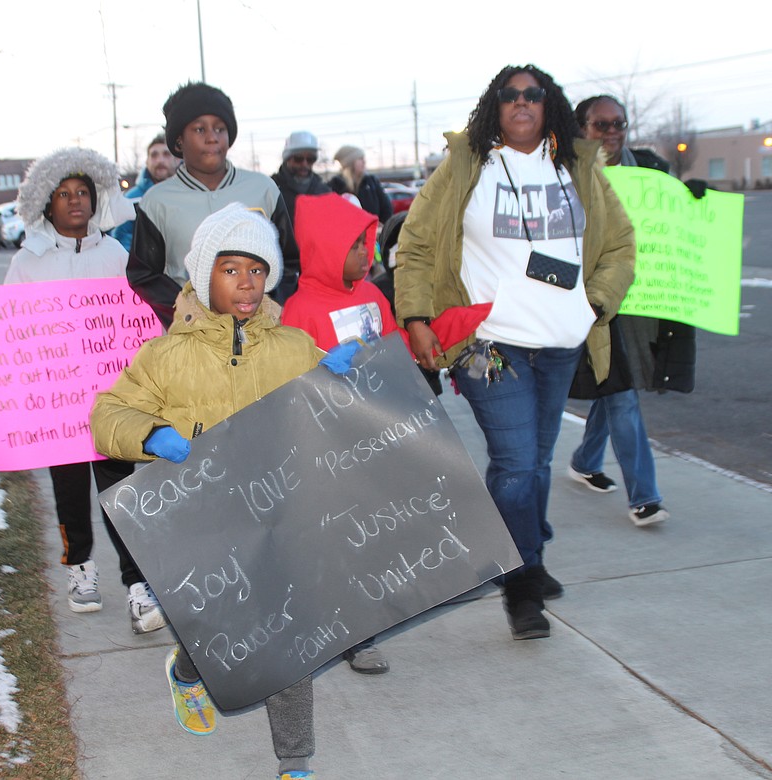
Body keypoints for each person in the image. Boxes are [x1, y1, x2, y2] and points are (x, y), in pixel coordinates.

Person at [92, 203, 361, 780]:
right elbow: (107, 415)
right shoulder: (167, 355)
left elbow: (337, 410)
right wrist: (151, 433)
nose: (246, 283)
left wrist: (344, 376)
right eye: (230, 268)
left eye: (257, 270)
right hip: (203, 521)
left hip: (276, 518)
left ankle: (295, 762)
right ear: (203, 274)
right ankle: (187, 673)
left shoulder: (291, 347)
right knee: (216, 630)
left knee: (288, 635)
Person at [394, 65, 635, 641]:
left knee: (536, 460)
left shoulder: (580, 166)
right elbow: (418, 244)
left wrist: (595, 305)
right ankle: (522, 583)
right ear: (494, 106)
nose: (522, 102)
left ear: (548, 104)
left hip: (559, 343)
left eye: (533, 94)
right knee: (517, 462)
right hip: (487, 344)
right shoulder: (466, 165)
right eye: (510, 95)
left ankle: (527, 552)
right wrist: (417, 316)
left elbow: (621, 244)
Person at [0, 147, 167, 636]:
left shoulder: (116, 256)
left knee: (121, 493)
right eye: (63, 195)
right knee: (69, 495)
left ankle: (137, 583)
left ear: (96, 199)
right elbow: (0, 333)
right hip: (58, 412)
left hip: (112, 406)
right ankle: (79, 570)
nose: (74, 202)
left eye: (82, 193)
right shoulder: (28, 263)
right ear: (46, 205)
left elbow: (139, 324)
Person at [567, 95, 698, 527]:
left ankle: (585, 460)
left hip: (644, 299)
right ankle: (645, 496)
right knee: (621, 392)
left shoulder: (653, 171)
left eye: (618, 123)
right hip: (595, 298)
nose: (611, 132)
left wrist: (694, 201)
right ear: (581, 127)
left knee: (620, 385)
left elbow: (678, 228)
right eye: (599, 124)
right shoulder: (566, 174)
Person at [280, 193, 397, 675]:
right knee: (337, 536)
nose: (365, 254)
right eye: (354, 246)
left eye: (368, 242)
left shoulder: (373, 296)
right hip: (325, 448)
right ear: (325, 248)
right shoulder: (299, 309)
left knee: (371, 532)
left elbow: (395, 353)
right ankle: (352, 631)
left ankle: (365, 618)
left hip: (375, 436)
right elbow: (288, 382)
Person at [128, 82, 300, 327]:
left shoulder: (263, 189)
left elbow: (290, 262)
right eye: (199, 129)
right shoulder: (157, 201)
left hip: (260, 335)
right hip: (193, 340)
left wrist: (270, 306)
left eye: (220, 129)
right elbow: (143, 275)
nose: (211, 138)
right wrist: (184, 310)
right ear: (178, 142)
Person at [112, 134, 178, 252]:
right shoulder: (131, 199)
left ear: (177, 160)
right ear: (147, 161)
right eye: (154, 155)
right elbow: (121, 240)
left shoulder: (189, 195)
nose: (160, 160)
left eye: (166, 154)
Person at [272, 131, 332, 223]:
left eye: (310, 159)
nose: (305, 164)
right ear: (287, 159)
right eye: (298, 159)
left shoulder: (324, 191)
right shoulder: (272, 189)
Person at [329, 145, 393, 225]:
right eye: (360, 158)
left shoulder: (371, 182)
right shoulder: (335, 185)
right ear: (350, 163)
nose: (364, 162)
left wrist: (382, 227)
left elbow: (387, 209)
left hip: (374, 234)